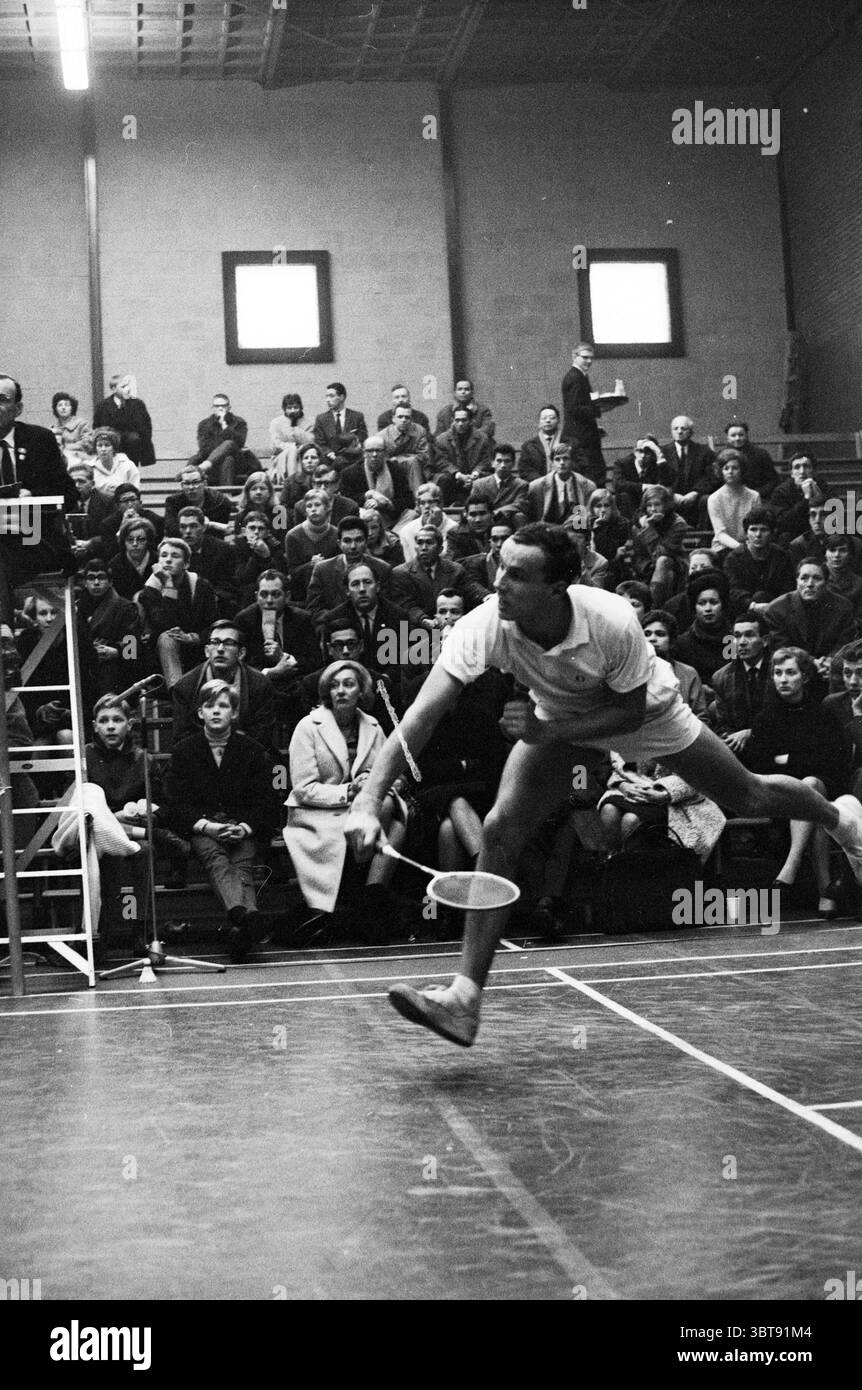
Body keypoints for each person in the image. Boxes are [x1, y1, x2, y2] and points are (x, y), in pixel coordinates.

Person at [346, 522, 862, 1047]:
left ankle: (839, 819)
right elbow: (418, 718)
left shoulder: (611, 620)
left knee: (747, 795)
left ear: (557, 587)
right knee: (500, 830)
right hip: (560, 719)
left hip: (649, 717)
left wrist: (548, 729)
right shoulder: (485, 625)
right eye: (500, 567)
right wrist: (368, 801)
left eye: (517, 574)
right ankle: (464, 999)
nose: (499, 581)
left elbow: (629, 710)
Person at [285, 660, 407, 932]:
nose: (340, 691)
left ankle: (371, 897)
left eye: (348, 685)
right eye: (334, 685)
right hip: (318, 811)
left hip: (362, 811)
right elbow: (304, 789)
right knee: (389, 817)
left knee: (394, 816)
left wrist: (373, 782)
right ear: (327, 692)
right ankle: (369, 897)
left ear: (361, 692)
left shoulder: (373, 726)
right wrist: (351, 789)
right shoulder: (308, 726)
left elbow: (397, 776)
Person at [163, 680, 280, 962]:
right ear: (200, 712)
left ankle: (241, 922)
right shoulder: (184, 750)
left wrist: (243, 827)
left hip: (241, 828)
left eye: (223, 705)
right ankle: (247, 915)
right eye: (209, 705)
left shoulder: (251, 749)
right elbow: (176, 802)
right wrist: (208, 826)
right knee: (216, 858)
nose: (216, 711)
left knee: (242, 864)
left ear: (234, 713)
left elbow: (265, 800)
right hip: (204, 829)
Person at [746, 647, 850, 916]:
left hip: (825, 785)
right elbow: (758, 764)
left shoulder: (823, 713)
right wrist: (801, 760)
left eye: (790, 672)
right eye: (778, 673)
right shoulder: (765, 718)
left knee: (811, 784)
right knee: (813, 804)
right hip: (780, 794)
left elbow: (833, 760)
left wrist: (787, 759)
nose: (783, 679)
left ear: (804, 676)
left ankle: (789, 868)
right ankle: (826, 892)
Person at [0, 373, 78, 629]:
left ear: (18, 408)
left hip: (34, 538)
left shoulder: (40, 440)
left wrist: (34, 496)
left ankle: (4, 630)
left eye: (2, 399)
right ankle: (4, 632)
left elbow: (70, 494)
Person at [171, 619, 276, 748]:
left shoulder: (260, 684)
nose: (220, 649)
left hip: (246, 756)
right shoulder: (185, 686)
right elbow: (182, 736)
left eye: (229, 643)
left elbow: (262, 735)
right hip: (201, 758)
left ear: (241, 653)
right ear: (206, 651)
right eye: (215, 642)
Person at [139, 537, 218, 688]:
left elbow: (213, 624)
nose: (168, 560)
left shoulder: (201, 586)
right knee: (168, 638)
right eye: (164, 555)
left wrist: (192, 637)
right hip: (161, 652)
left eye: (175, 556)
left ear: (186, 564)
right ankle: (178, 693)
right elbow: (164, 624)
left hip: (197, 645)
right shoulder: (150, 589)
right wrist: (169, 586)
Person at [763, 557, 857, 680]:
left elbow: (845, 643)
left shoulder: (843, 606)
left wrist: (832, 662)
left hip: (832, 671)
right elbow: (783, 649)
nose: (810, 584)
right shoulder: (776, 609)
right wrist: (813, 662)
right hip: (794, 671)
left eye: (817, 578)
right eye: (804, 578)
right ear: (797, 581)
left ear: (827, 582)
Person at [390, 525, 483, 628]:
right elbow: (406, 605)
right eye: (420, 543)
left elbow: (471, 590)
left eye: (429, 543)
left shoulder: (456, 570)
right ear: (415, 547)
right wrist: (424, 620)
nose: (424, 548)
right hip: (417, 630)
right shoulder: (400, 573)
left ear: (440, 549)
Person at [305, 516, 391, 627]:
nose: (353, 546)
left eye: (358, 540)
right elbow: (313, 609)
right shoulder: (322, 570)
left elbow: (387, 608)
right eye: (347, 541)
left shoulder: (382, 569)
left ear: (366, 542)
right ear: (339, 543)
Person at [77, 557, 142, 698]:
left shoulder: (126, 607)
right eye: (91, 578)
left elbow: (132, 645)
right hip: (86, 662)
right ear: (84, 583)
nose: (96, 583)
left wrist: (116, 651)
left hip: (118, 666)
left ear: (110, 581)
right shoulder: (77, 609)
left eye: (101, 577)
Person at [708, 614, 771, 755]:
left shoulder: (779, 671)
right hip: (740, 749)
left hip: (776, 745)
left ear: (765, 641)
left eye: (749, 635)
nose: (741, 642)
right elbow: (723, 725)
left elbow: (786, 718)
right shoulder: (722, 677)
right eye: (737, 636)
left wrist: (751, 733)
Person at [723, 506, 795, 618]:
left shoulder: (781, 556)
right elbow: (733, 591)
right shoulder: (734, 558)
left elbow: (787, 588)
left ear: (772, 533)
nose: (758, 535)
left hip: (776, 610)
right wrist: (753, 605)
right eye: (753, 529)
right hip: (744, 611)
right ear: (746, 532)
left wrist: (772, 606)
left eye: (763, 530)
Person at [629, 484, 689, 608]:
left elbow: (660, 554)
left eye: (657, 505)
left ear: (666, 505)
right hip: (646, 566)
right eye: (649, 505)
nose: (653, 509)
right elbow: (638, 555)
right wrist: (645, 567)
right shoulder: (638, 524)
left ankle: (653, 607)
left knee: (662, 562)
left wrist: (648, 529)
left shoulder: (678, 523)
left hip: (674, 564)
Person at [642, 609, 707, 718]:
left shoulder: (688, 674)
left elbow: (701, 716)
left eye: (660, 634)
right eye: (647, 634)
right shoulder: (633, 671)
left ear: (671, 641)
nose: (652, 639)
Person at [675, 574, 734, 685]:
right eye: (702, 603)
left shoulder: (733, 639)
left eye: (713, 602)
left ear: (723, 605)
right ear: (694, 608)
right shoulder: (682, 644)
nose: (708, 609)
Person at [560, 343, 605, 487]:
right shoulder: (575, 377)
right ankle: (581, 512)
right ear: (574, 357)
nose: (589, 361)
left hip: (583, 439)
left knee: (588, 484)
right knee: (585, 485)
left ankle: (583, 511)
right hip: (580, 443)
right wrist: (598, 409)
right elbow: (574, 409)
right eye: (585, 357)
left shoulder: (580, 376)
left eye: (591, 358)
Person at [340, 437, 414, 525]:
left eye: (378, 450)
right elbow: (346, 500)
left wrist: (387, 504)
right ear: (364, 453)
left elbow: (409, 500)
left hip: (393, 517)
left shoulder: (396, 470)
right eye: (370, 451)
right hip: (364, 520)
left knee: (411, 514)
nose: (374, 454)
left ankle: (393, 534)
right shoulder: (350, 473)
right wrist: (367, 496)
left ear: (385, 453)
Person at [92, 373, 155, 469]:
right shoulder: (103, 406)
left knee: (134, 439)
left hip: (133, 445)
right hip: (111, 443)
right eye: (123, 387)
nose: (127, 389)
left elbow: (145, 427)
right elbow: (97, 427)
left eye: (128, 386)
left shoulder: (137, 404)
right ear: (113, 389)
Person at [661, 415, 716, 524]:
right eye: (675, 429)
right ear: (672, 432)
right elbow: (659, 478)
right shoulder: (662, 452)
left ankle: (703, 538)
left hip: (697, 498)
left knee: (706, 500)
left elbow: (710, 477)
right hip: (671, 497)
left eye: (683, 428)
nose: (679, 432)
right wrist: (671, 494)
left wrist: (695, 492)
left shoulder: (704, 452)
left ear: (690, 432)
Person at [433, 407, 494, 505]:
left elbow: (485, 460)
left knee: (488, 479)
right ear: (452, 420)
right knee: (443, 479)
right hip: (453, 477)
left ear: (471, 421)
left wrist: (475, 474)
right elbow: (442, 462)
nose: (460, 424)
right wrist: (459, 475)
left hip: (475, 476)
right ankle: (446, 508)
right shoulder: (441, 439)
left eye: (464, 420)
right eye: (457, 420)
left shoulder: (482, 438)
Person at [189, 392, 250, 487]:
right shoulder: (204, 424)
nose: (220, 408)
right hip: (213, 466)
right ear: (213, 408)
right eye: (217, 406)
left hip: (237, 463)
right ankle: (227, 495)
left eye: (223, 406)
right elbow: (204, 448)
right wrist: (223, 449)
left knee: (230, 445)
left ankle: (205, 465)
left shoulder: (239, 422)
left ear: (229, 407)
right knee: (227, 458)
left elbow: (240, 443)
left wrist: (224, 426)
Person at [706, 450, 761, 553]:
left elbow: (756, 527)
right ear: (721, 471)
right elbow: (720, 534)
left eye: (735, 468)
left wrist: (748, 547)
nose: (730, 472)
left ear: (742, 470)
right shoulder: (714, 498)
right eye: (726, 468)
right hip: (723, 547)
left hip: (750, 546)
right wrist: (739, 547)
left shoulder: (754, 496)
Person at [769, 452, 829, 542]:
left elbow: (836, 511)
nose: (802, 471)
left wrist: (818, 495)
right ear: (791, 473)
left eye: (806, 466)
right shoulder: (781, 491)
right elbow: (782, 523)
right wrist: (806, 499)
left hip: (821, 529)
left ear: (814, 471)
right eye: (797, 467)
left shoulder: (822, 486)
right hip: (795, 532)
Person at [163, 465, 234, 538]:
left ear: (205, 483)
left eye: (196, 482)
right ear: (182, 485)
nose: (191, 487)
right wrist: (205, 525)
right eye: (187, 483)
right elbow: (171, 530)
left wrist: (208, 524)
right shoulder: (173, 501)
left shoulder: (220, 501)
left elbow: (218, 534)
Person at [233, 510, 286, 607]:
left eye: (261, 529)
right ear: (244, 531)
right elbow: (243, 577)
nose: (256, 532)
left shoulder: (274, 545)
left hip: (271, 586)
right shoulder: (237, 546)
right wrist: (256, 553)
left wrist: (266, 555)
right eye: (252, 528)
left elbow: (282, 574)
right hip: (246, 590)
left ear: (267, 533)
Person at [614, 438, 675, 519]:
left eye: (647, 453)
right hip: (631, 500)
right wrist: (644, 487)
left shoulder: (656, 464)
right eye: (639, 451)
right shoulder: (622, 463)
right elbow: (618, 484)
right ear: (634, 451)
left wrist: (659, 454)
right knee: (625, 496)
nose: (642, 456)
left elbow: (666, 483)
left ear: (653, 454)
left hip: (651, 501)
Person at [469, 444, 528, 527]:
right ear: (492, 463)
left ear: (513, 464)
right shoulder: (479, 484)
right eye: (499, 461)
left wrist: (497, 512)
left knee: (519, 516)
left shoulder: (521, 485)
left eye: (507, 461)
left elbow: (520, 505)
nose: (503, 465)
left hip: (507, 522)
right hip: (484, 522)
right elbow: (473, 505)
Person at [379, 403, 432, 493]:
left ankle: (418, 496)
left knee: (413, 461)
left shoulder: (419, 431)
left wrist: (404, 458)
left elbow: (424, 455)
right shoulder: (382, 436)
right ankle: (418, 496)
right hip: (391, 469)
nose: (404, 420)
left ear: (411, 419)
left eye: (407, 417)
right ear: (393, 419)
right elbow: (382, 460)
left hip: (416, 467)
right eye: (400, 417)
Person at [312, 383, 368, 467]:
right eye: (326, 396)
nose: (327, 400)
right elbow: (319, 442)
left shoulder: (357, 416)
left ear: (341, 397)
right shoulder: (321, 419)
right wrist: (329, 453)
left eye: (331, 396)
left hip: (353, 458)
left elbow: (362, 438)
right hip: (330, 459)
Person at [723, 422, 780, 499]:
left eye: (741, 435)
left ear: (746, 435)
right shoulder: (721, 456)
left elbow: (773, 480)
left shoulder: (761, 454)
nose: (737, 438)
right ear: (728, 438)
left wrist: (757, 493)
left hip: (756, 495)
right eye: (733, 435)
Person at [108, 517, 158, 601]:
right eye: (130, 539)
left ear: (148, 541)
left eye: (141, 539)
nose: (135, 544)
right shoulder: (115, 564)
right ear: (124, 542)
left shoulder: (158, 560)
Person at [268, 393, 314, 482]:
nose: (293, 411)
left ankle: (298, 482)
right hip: (281, 457)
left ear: (301, 407)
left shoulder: (309, 422)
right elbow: (275, 444)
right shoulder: (276, 422)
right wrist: (293, 447)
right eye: (289, 408)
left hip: (304, 455)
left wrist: (295, 429)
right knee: (292, 451)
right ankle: (293, 482)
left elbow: (311, 441)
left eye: (296, 407)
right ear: (284, 409)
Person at [517, 405, 570, 482]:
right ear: (539, 421)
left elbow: (580, 466)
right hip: (539, 487)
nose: (548, 421)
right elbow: (524, 470)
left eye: (552, 418)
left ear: (558, 420)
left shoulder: (570, 443)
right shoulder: (529, 446)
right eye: (544, 418)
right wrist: (543, 481)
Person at [85, 426, 140, 496]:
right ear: (95, 448)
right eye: (99, 445)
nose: (103, 449)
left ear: (114, 447)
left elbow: (135, 490)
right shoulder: (88, 467)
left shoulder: (128, 466)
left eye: (107, 445)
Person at [50, 390, 89, 460]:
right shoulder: (52, 429)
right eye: (60, 405)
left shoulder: (82, 424)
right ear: (55, 409)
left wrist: (65, 448)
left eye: (67, 405)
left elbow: (87, 443)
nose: (63, 407)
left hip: (80, 459)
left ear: (72, 408)